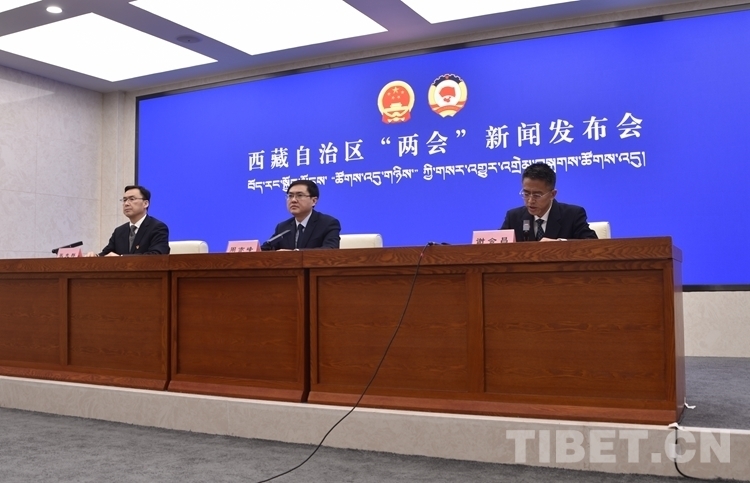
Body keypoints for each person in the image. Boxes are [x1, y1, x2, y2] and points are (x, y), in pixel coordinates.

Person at [500, 163, 597, 242]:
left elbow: (592, 243)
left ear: (552, 194)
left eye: (537, 195)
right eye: (526, 194)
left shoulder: (573, 215)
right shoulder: (513, 217)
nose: (530, 200)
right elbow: (497, 246)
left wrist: (559, 243)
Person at [86, 185, 170, 256]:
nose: (126, 203)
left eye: (132, 199)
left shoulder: (157, 228)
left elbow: (157, 255)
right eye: (124, 200)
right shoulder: (119, 231)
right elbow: (106, 254)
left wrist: (121, 258)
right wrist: (95, 256)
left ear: (145, 203)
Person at [261, 180, 340, 250]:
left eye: (299, 195)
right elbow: (266, 249)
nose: (293, 200)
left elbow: (330, 249)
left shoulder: (328, 224)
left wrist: (294, 253)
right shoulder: (282, 227)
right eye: (290, 196)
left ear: (313, 201)